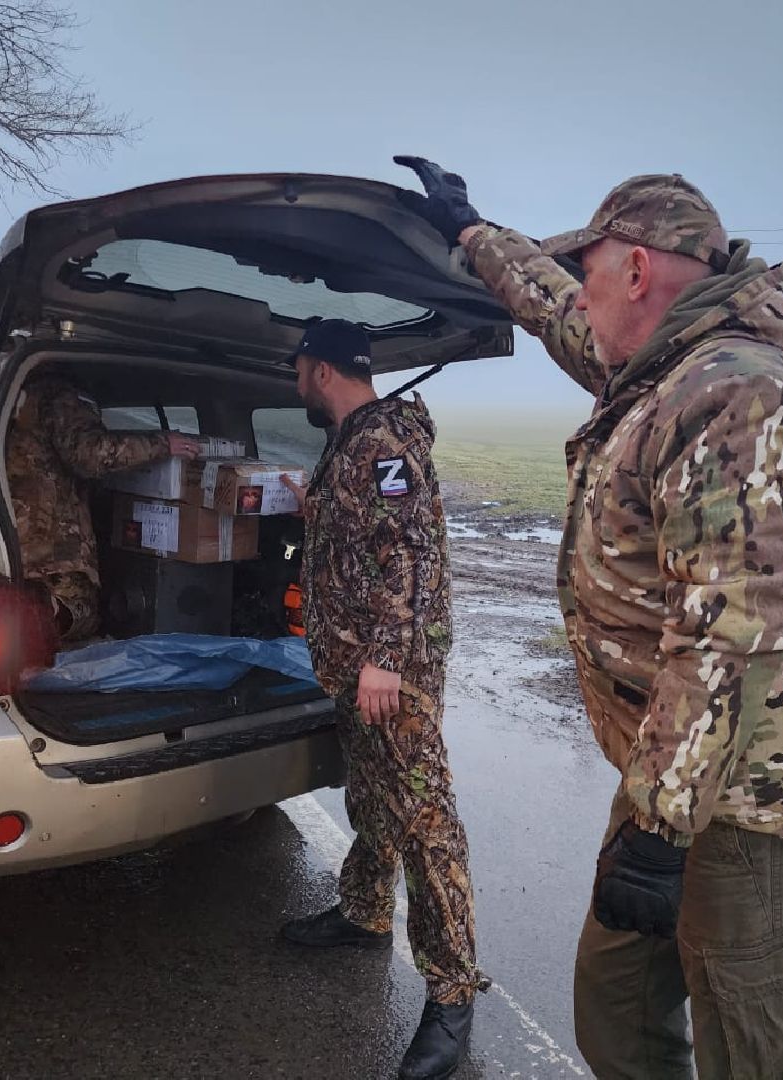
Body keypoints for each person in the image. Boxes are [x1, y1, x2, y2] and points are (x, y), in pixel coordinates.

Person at [394, 157, 783, 1080]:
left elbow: (727, 634)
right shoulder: (662, 365)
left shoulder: (735, 396)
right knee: (616, 1006)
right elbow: (558, 311)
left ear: (639, 273)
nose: (582, 294)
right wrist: (475, 233)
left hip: (742, 799)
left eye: (595, 268)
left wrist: (656, 828)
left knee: (748, 1043)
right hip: (674, 769)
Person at [277, 319, 485, 1080]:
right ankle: (365, 911)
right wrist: (313, 505)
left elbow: (410, 552)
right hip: (356, 666)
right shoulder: (352, 439)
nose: (294, 379)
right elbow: (365, 535)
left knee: (427, 822)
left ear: (322, 370)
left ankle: (453, 994)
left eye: (299, 367)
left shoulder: (381, 442)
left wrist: (387, 661)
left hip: (389, 671)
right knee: (371, 797)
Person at [5, 373, 196, 641]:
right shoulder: (56, 396)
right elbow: (91, 454)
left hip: (20, 542)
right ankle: (36, 620)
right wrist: (163, 444)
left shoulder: (22, 405)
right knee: (78, 612)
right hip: (49, 552)